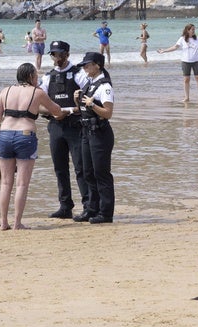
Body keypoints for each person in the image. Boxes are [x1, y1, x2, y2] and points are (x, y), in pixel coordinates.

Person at [0, 63, 63, 231]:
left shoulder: (5, 91)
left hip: (4, 135)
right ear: (31, 76)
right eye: (36, 76)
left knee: (5, 183)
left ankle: (3, 222)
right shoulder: (37, 92)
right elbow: (57, 110)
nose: (37, 78)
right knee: (22, 184)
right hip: (25, 135)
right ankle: (17, 223)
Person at [39, 41, 89, 220]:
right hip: (55, 127)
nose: (57, 58)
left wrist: (70, 111)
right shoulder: (47, 78)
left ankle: (88, 206)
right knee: (60, 168)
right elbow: (38, 104)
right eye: (53, 54)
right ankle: (65, 206)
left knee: (80, 167)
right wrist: (54, 113)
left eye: (60, 54)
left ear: (67, 54)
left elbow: (89, 100)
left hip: (75, 126)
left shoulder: (79, 74)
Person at [73, 52, 115, 224]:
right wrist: (78, 101)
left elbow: (108, 113)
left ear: (98, 65)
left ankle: (106, 213)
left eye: (87, 65)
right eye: (84, 65)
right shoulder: (90, 84)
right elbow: (83, 110)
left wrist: (92, 104)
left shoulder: (105, 87)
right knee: (87, 172)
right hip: (86, 132)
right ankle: (92, 209)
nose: (84, 68)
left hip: (100, 133)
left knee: (101, 173)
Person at [157, 24, 198, 102]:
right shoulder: (182, 39)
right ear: (187, 30)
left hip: (196, 61)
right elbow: (175, 47)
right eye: (192, 29)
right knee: (186, 79)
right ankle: (187, 97)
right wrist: (164, 51)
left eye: (194, 29)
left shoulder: (196, 39)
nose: (193, 31)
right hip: (185, 61)